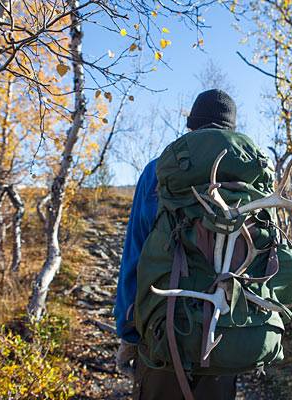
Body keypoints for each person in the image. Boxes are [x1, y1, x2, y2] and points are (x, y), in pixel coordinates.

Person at [114, 89, 239, 400]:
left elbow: (135, 258)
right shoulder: (246, 180)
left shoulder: (158, 172)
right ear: (231, 132)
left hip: (161, 335)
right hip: (226, 336)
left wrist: (128, 334)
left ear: (191, 127)